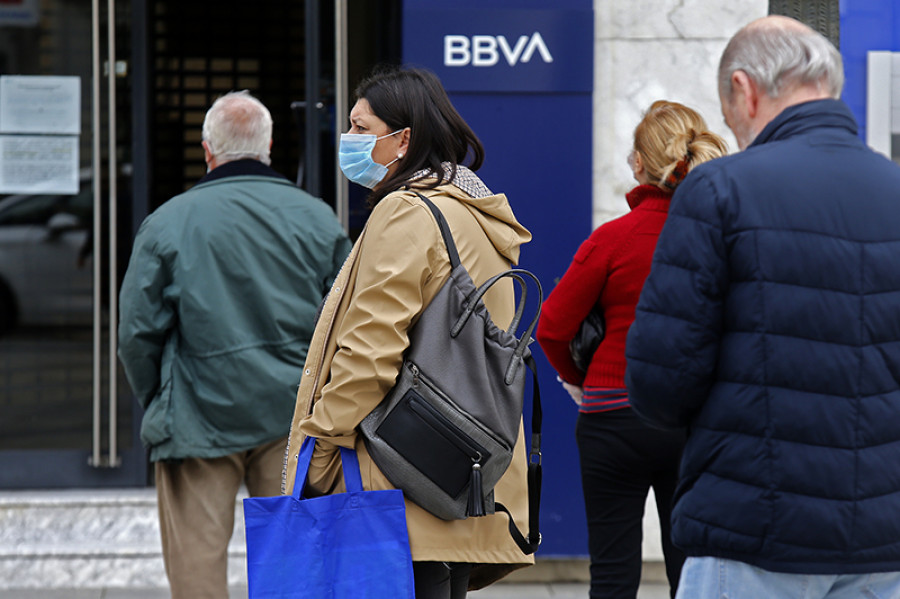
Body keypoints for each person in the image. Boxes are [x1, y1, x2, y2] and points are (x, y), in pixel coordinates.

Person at [625, 16, 900, 599]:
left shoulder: (719, 190)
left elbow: (661, 383)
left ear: (745, 90)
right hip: (884, 538)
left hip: (753, 529)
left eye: (730, 117)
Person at [281, 66, 533, 598]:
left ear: (404, 140)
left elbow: (369, 353)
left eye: (361, 127)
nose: (348, 139)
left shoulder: (407, 213)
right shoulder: (474, 213)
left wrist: (321, 446)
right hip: (459, 474)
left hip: (398, 486)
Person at [117, 90, 351, 599]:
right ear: (268, 146)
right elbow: (349, 324)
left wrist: (161, 399)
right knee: (295, 569)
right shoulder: (318, 219)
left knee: (197, 571)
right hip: (294, 420)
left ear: (207, 150)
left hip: (199, 419)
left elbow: (136, 333)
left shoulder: (167, 223)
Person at [536, 100, 727, 598]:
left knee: (613, 571)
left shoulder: (611, 240)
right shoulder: (718, 239)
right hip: (689, 419)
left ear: (639, 164)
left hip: (610, 416)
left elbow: (552, 327)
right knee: (690, 570)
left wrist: (577, 382)